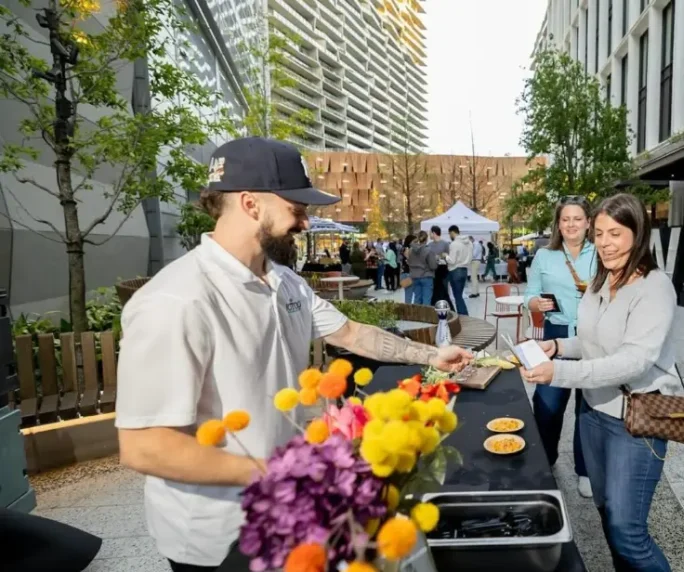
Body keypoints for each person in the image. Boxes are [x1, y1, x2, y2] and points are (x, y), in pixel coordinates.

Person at [114, 137, 472, 572]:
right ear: (250, 203)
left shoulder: (285, 281)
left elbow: (351, 333)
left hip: (291, 515)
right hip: (219, 537)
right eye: (297, 210)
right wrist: (277, 474)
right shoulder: (176, 300)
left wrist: (431, 356)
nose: (305, 223)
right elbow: (145, 447)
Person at [520, 193, 682, 572]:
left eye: (616, 233)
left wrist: (558, 372)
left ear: (637, 234)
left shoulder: (653, 286)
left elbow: (633, 360)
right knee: (608, 517)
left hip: (636, 420)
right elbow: (591, 340)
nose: (605, 242)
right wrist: (556, 344)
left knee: (628, 532)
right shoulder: (600, 280)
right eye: (600, 233)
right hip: (594, 414)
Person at [524, 195, 596, 498]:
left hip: (594, 336)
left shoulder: (601, 253)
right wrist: (535, 303)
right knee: (548, 404)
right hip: (555, 332)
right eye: (565, 219)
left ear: (588, 222)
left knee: (589, 405)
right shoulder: (545, 256)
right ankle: (546, 459)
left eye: (577, 219)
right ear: (558, 223)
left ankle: (586, 469)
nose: (571, 225)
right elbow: (529, 294)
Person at [446, 225, 474, 316]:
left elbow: (452, 260)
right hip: (464, 270)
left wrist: (445, 256)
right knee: (459, 295)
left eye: (449, 234)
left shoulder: (454, 244)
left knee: (457, 296)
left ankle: (463, 315)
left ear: (452, 232)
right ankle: (463, 314)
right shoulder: (469, 243)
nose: (449, 236)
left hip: (455, 271)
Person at [407, 230, 437, 305]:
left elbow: (409, 262)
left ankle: (416, 316)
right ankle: (425, 316)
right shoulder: (428, 250)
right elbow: (433, 266)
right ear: (426, 239)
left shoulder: (410, 251)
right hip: (426, 276)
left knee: (417, 298)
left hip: (414, 276)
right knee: (426, 300)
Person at [428, 225, 451, 306]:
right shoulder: (429, 245)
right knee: (434, 291)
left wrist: (441, 256)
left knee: (444, 290)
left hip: (443, 271)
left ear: (434, 233)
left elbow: (448, 256)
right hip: (433, 271)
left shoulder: (445, 244)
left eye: (430, 233)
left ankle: (445, 307)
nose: (429, 235)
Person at [400, 235, 415, 303]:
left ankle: (408, 310)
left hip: (405, 273)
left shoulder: (404, 248)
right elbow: (409, 260)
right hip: (408, 274)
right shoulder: (407, 249)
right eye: (414, 241)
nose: (415, 242)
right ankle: (408, 311)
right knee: (409, 295)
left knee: (409, 294)